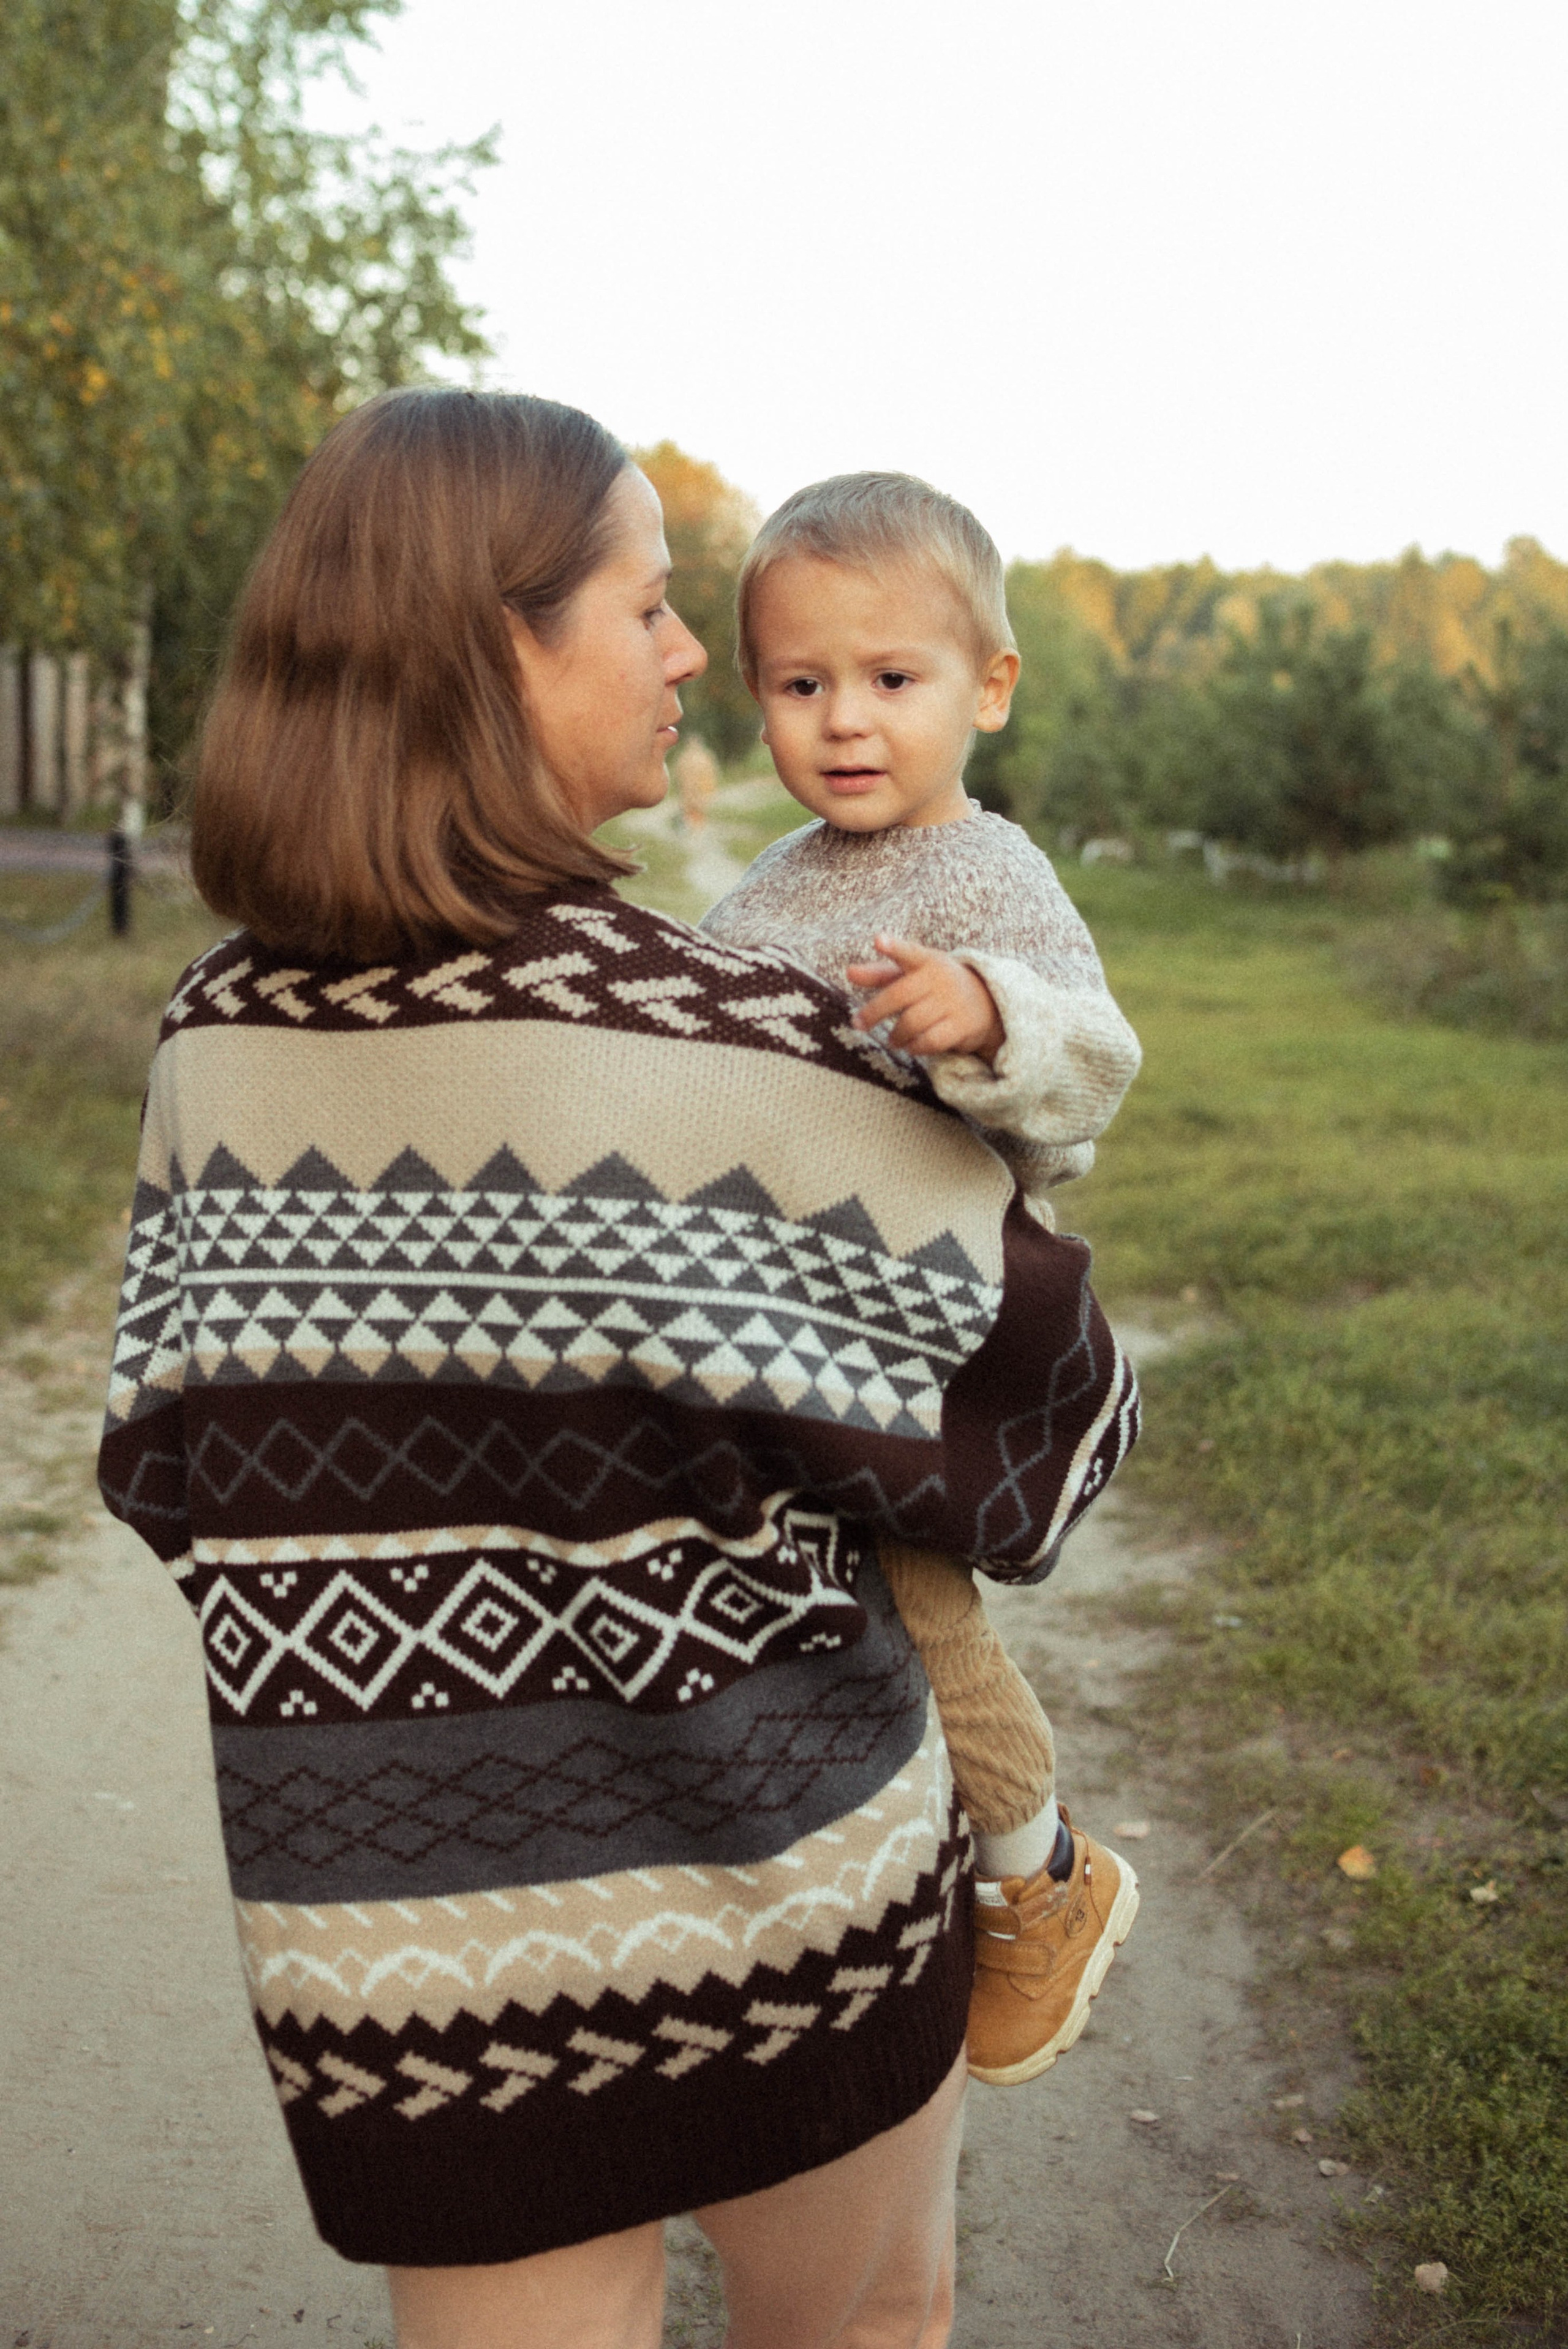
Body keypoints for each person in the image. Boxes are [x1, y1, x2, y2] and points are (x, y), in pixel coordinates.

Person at [97, 391, 1139, 2349]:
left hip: (406, 1961)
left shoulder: (212, 1040)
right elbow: (1050, 1437)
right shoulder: (729, 1041)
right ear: (504, 642)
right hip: (785, 1904)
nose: (693, 659)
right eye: (654, 611)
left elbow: (166, 1465)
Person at [702, 473, 1143, 2087]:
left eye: (894, 679)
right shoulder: (768, 885)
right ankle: (841, 1853)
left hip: (917, 1321)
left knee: (910, 1592)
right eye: (801, 683)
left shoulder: (989, 877)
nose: (845, 720)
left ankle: (1041, 1873)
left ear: (990, 687)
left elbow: (1098, 1062)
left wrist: (991, 1015)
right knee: (766, 1587)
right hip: (775, 1329)